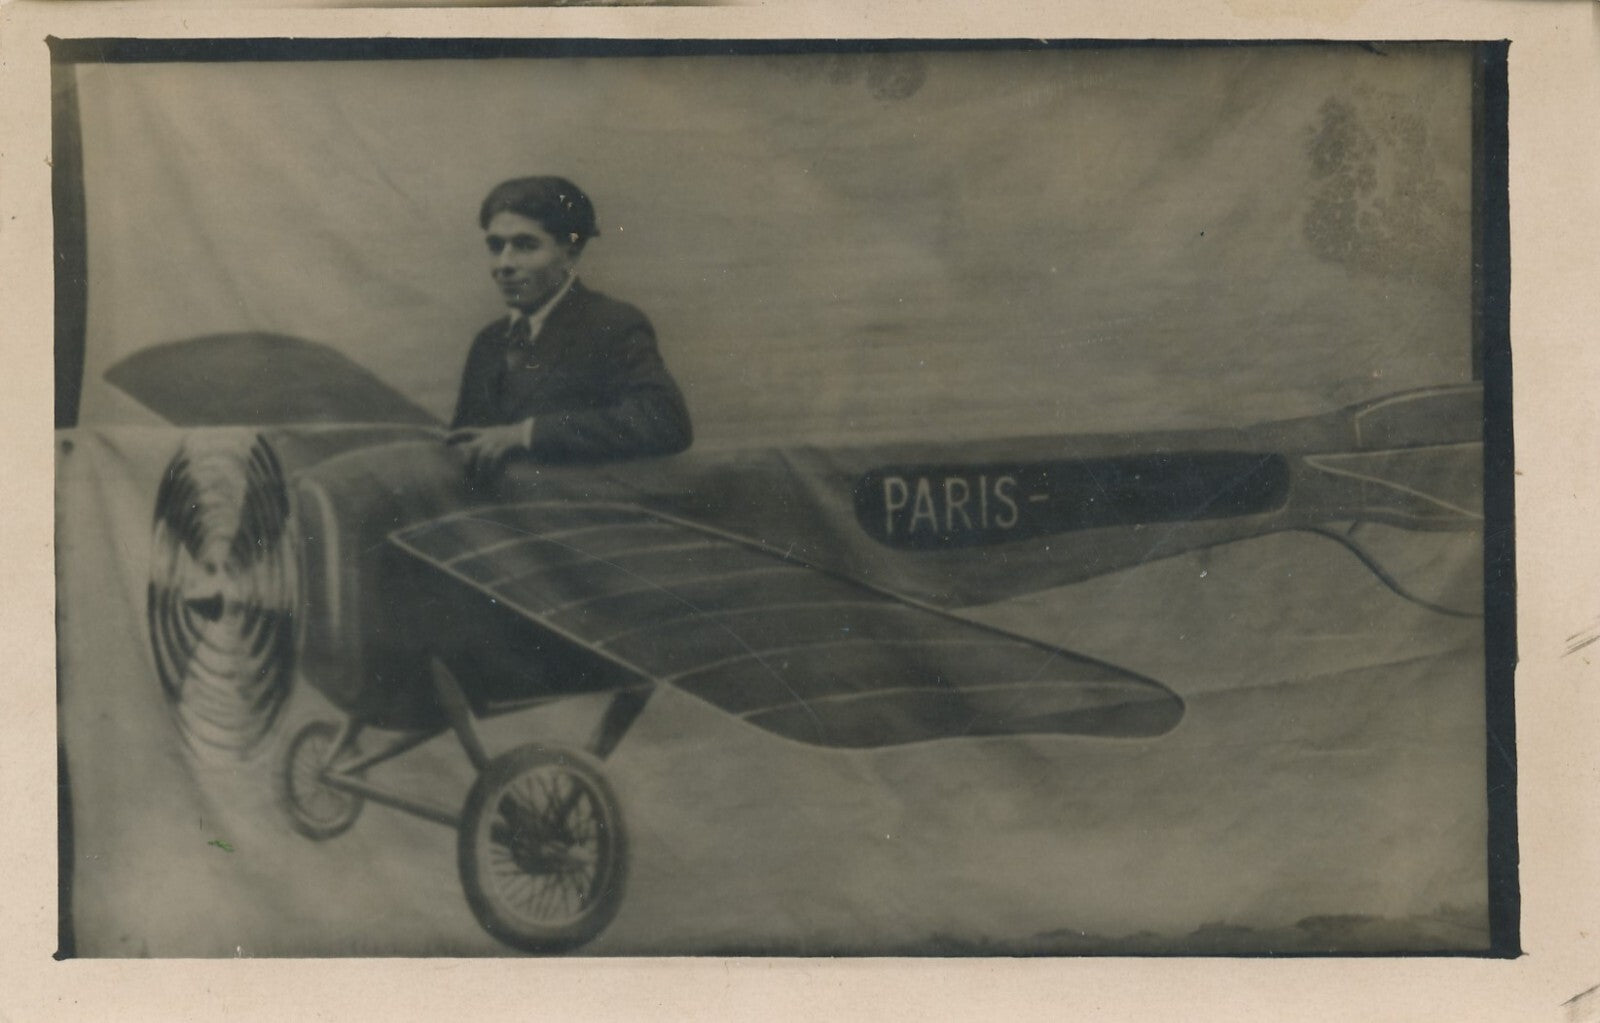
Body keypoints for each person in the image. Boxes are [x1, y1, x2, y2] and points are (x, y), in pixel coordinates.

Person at [447, 176, 692, 484]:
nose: (504, 264)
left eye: (525, 245)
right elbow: (465, 442)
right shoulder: (489, 342)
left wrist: (526, 435)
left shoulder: (611, 324)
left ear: (571, 252)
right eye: (496, 247)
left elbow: (666, 422)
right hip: (502, 512)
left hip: (583, 508)